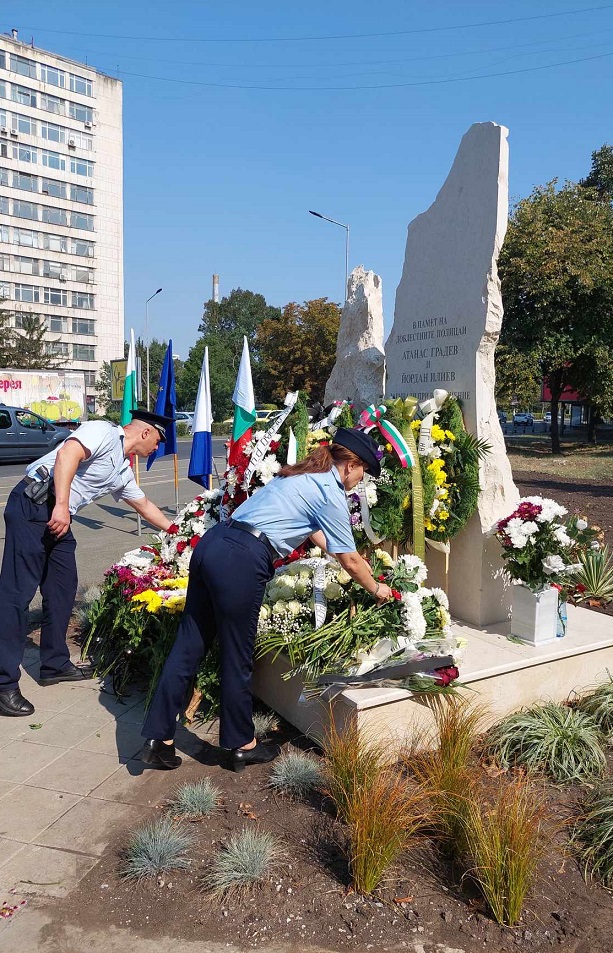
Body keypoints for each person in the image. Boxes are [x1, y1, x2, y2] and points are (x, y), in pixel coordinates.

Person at [141, 427, 394, 773]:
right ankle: (240, 744)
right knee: (237, 655)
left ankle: (158, 740)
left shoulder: (303, 476)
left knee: (189, 644)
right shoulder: (331, 492)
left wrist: (342, 555)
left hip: (214, 544)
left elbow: (319, 535)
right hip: (243, 560)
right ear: (351, 465)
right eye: (363, 472)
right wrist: (377, 589)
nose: (360, 481)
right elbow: (349, 559)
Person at [0, 410, 175, 718]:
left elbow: (145, 506)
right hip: (34, 504)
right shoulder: (103, 432)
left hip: (55, 514)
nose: (158, 449)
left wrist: (181, 533)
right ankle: (3, 685)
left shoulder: (121, 469)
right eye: (159, 441)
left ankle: (54, 665)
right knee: (17, 596)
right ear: (145, 433)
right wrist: (64, 507)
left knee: (63, 587)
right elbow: (67, 454)